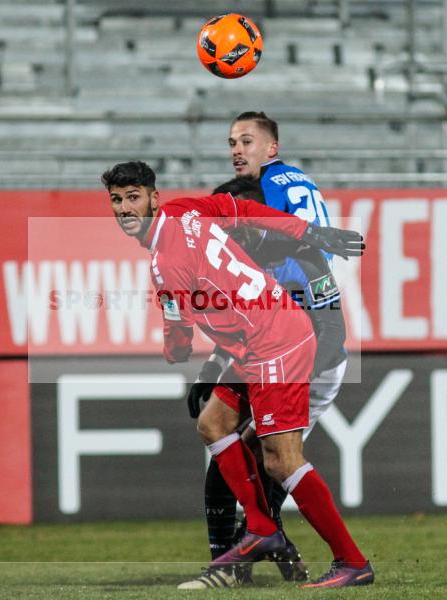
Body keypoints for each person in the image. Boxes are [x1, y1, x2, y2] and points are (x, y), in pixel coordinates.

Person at [101, 161, 374, 590]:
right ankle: (263, 530)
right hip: (264, 338)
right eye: (116, 200)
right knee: (213, 423)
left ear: (154, 198)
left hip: (276, 345)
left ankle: (352, 561)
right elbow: (245, 211)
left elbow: (178, 338)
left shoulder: (165, 264)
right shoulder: (186, 210)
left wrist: (175, 351)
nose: (124, 209)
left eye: (133, 197)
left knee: (281, 461)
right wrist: (309, 232)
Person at [186, 112, 352, 588]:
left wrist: (281, 384)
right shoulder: (243, 259)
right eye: (231, 142)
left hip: (311, 358)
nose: (237, 149)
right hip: (273, 353)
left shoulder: (296, 255)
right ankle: (243, 553)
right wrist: (216, 365)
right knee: (219, 430)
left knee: (270, 455)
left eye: (247, 141)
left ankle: (257, 551)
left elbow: (331, 332)